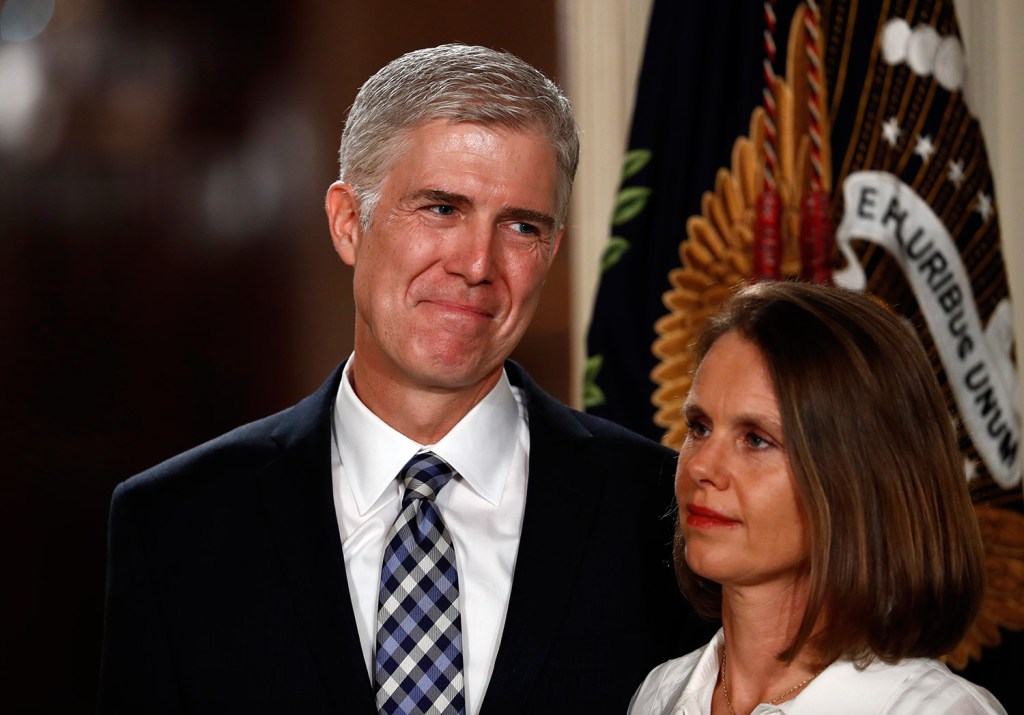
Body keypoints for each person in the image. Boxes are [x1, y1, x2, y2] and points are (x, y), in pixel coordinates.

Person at [98, 44, 707, 715]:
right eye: (442, 208)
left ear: (552, 248)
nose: (477, 263)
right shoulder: (177, 526)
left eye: (521, 225)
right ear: (347, 222)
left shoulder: (665, 513)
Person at [629, 281, 1006, 715]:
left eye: (755, 439)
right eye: (699, 427)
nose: (699, 467)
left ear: (861, 479)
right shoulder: (661, 693)